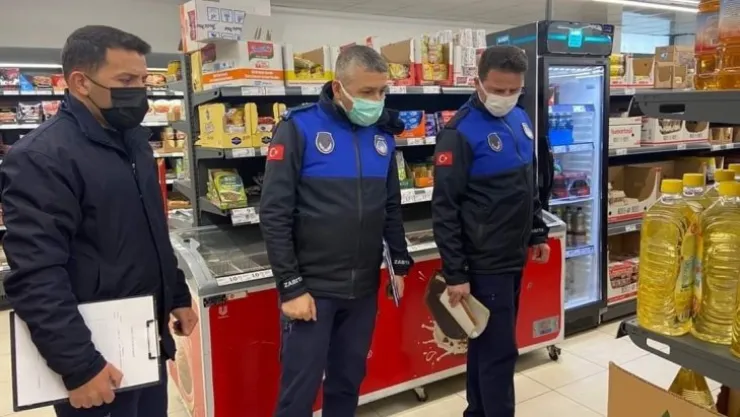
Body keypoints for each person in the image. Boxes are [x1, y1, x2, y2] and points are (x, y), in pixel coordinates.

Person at [0, 25, 197, 417]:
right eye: (125, 80)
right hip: (95, 353)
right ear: (80, 82)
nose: (138, 91)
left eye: (142, 80)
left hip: (144, 339)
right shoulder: (42, 157)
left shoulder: (134, 142)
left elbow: (151, 229)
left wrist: (175, 294)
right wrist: (79, 365)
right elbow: (36, 274)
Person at [260, 45, 413, 417]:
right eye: (366, 92)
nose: (375, 101)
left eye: (382, 92)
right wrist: (290, 287)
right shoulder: (298, 128)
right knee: (299, 392)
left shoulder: (382, 135)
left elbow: (390, 205)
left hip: (363, 288)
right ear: (338, 87)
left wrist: (399, 261)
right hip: (313, 289)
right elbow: (274, 213)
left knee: (347, 383)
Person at [431, 45, 550, 417]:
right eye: (498, 89)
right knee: (500, 353)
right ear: (478, 82)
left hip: (512, 254)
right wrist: (456, 273)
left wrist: (537, 231)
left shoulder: (520, 119)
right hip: (484, 262)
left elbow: (526, 183)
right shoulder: (459, 132)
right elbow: (445, 208)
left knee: (485, 346)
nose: (505, 97)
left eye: (513, 90)